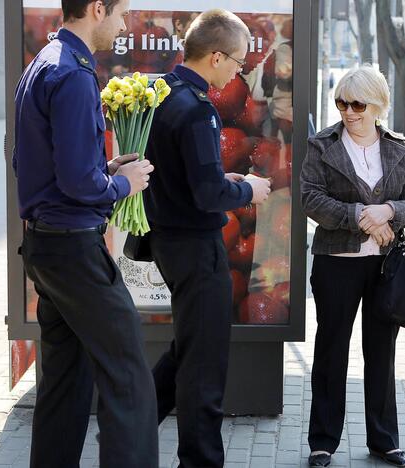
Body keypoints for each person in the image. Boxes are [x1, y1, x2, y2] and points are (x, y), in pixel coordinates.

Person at [12, 0, 158, 466]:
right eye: (121, 13)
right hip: (74, 250)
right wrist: (121, 183)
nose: (123, 24)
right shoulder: (73, 74)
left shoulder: (44, 63)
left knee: (66, 381)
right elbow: (77, 182)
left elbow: (41, 164)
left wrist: (105, 168)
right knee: (129, 377)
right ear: (97, 8)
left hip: (47, 245)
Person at [142, 9, 271, 467]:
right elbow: (207, 192)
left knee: (188, 349)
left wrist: (220, 177)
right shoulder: (197, 109)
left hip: (171, 242)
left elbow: (181, 174)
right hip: (197, 249)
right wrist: (247, 188)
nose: (239, 70)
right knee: (205, 366)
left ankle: (134, 430)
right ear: (216, 57)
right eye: (237, 61)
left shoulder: (162, 94)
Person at [300, 65, 405, 468]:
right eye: (341, 103)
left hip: (385, 267)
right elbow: (310, 198)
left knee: (381, 351)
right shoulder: (321, 144)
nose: (349, 112)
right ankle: (322, 442)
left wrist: (388, 210)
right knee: (331, 350)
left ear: (377, 105)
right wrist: (360, 216)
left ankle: (384, 440)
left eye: (357, 104)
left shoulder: (399, 147)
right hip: (336, 263)